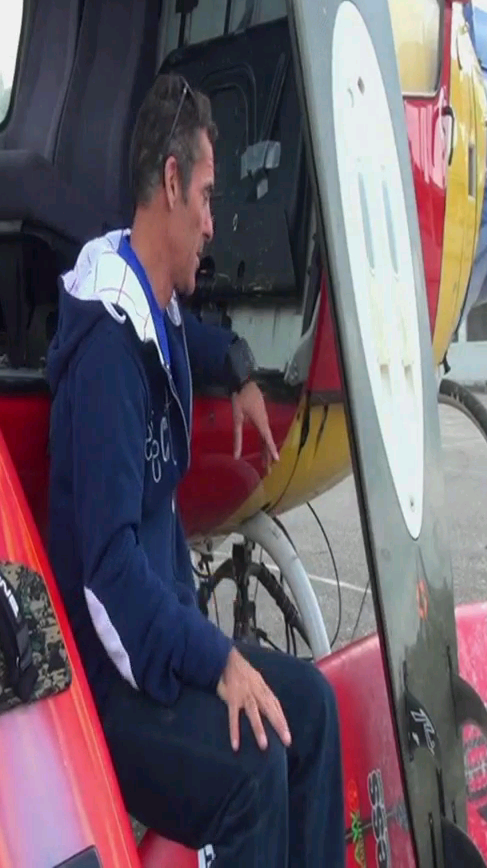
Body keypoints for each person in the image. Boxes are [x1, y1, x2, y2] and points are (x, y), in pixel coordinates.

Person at [43, 72, 341, 865]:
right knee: (254, 768)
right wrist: (218, 660)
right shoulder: (106, 358)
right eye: (207, 197)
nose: (213, 223)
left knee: (310, 708)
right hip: (110, 684)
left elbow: (183, 335)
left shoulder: (153, 303)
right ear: (171, 184)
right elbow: (109, 576)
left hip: (157, 650)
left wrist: (236, 365)